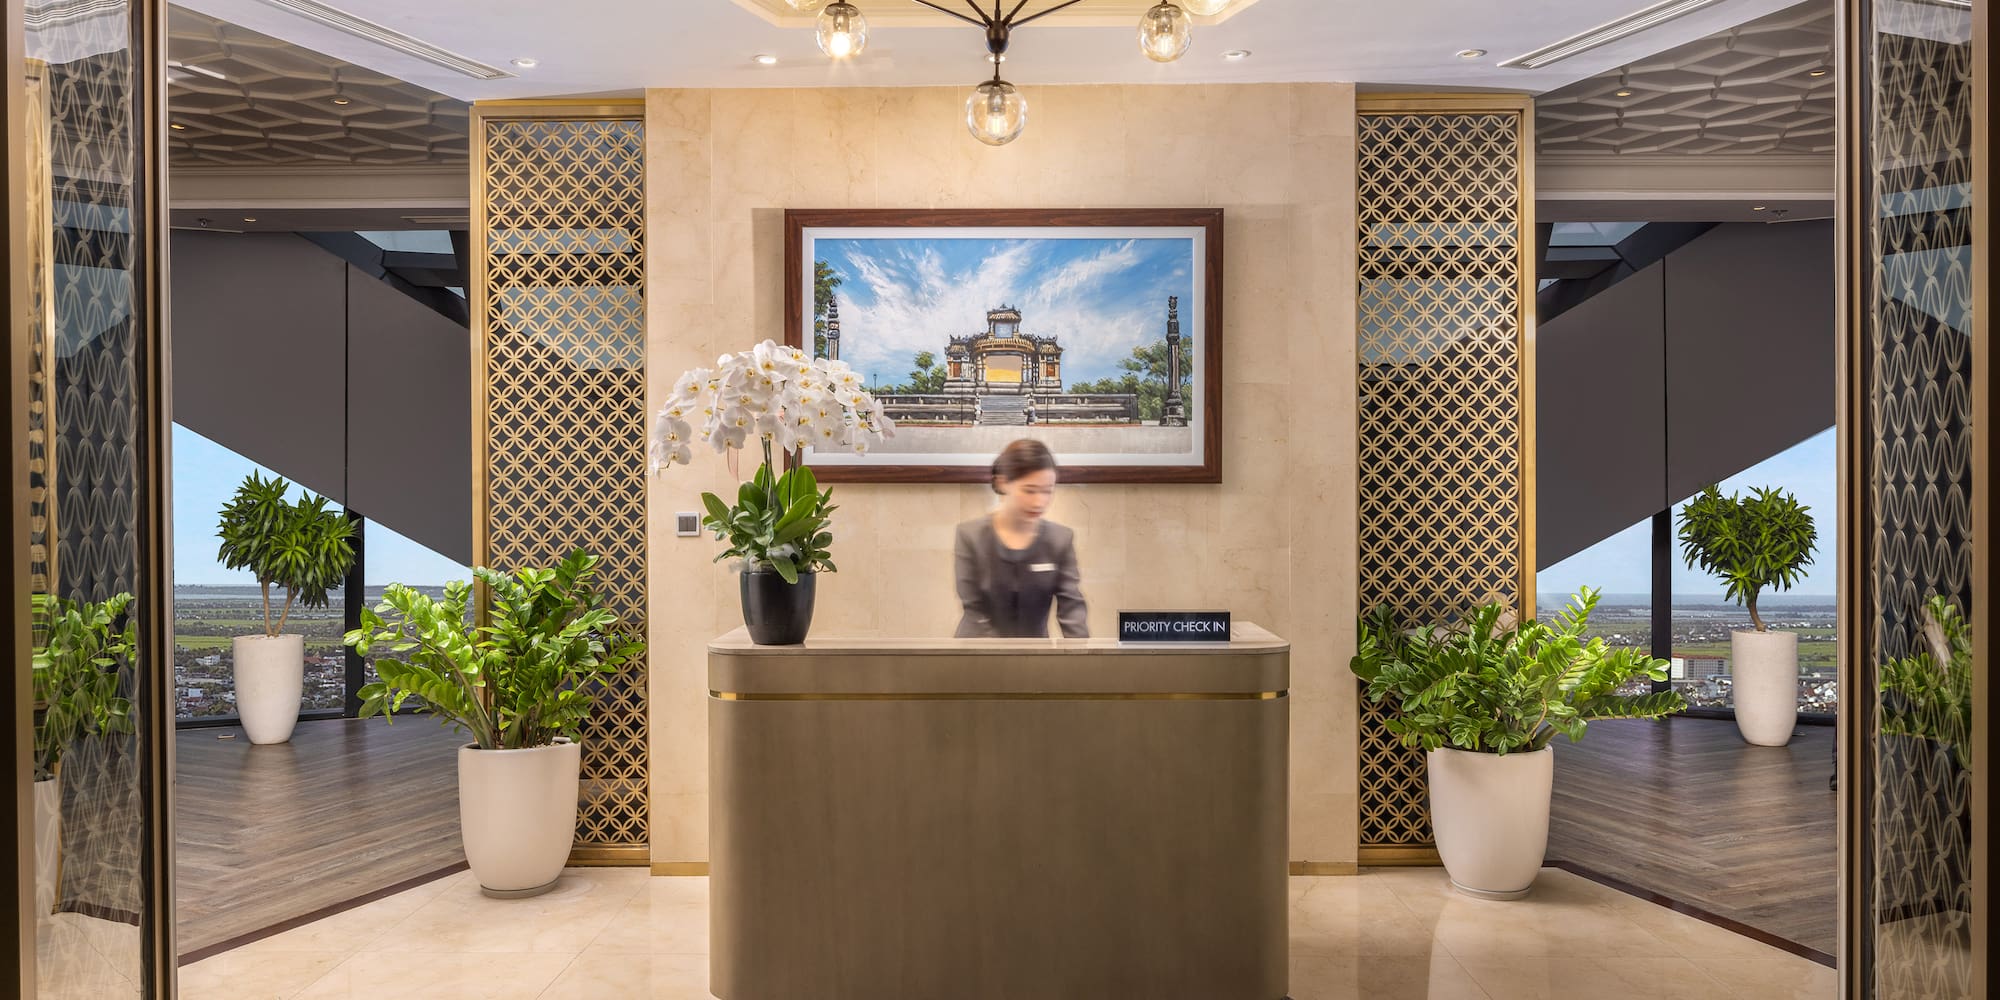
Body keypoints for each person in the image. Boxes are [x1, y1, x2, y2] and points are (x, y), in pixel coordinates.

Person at [955, 439, 1088, 638]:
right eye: (1029, 490)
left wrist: (1082, 653)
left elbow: (1072, 612)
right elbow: (975, 612)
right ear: (1003, 483)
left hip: (1035, 654)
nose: (1039, 502)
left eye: (1047, 491)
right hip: (977, 651)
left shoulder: (1060, 540)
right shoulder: (970, 536)